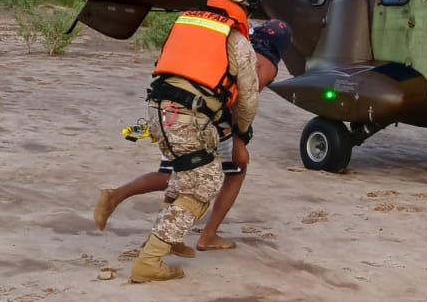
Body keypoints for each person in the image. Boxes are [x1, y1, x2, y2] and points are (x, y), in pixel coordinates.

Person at [94, 19, 291, 254]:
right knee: (235, 171)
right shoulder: (266, 64)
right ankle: (207, 235)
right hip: (214, 120)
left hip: (178, 110)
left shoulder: (229, 44)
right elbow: (243, 101)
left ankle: (120, 198)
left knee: (172, 172)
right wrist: (238, 137)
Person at [122, 0, 261, 283]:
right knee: (203, 185)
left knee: (184, 175)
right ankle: (150, 260)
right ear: (244, 6)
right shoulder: (236, 41)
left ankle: (166, 240)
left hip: (158, 109)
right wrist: (242, 131)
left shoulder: (186, 22)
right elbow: (248, 97)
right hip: (190, 117)